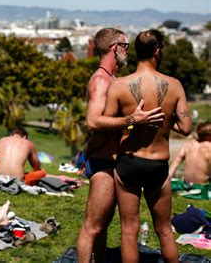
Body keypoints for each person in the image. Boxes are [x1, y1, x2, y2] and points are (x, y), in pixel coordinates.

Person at [76, 28, 165, 263]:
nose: (128, 51)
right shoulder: (101, 80)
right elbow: (93, 121)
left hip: (114, 162)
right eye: (125, 46)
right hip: (103, 164)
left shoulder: (114, 80)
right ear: (115, 48)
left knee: (103, 225)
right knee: (92, 227)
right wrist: (133, 120)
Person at [104, 29, 191, 262]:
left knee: (129, 231)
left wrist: (133, 120)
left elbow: (107, 123)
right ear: (157, 51)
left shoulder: (119, 85)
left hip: (129, 162)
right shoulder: (174, 85)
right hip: (158, 166)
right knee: (163, 229)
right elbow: (186, 127)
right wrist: (165, 117)